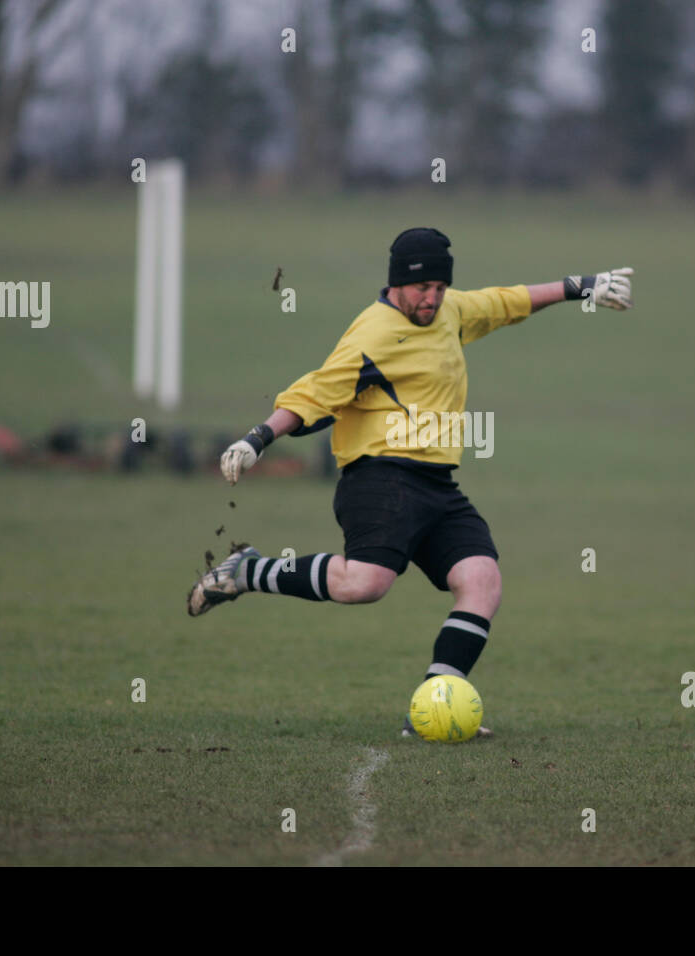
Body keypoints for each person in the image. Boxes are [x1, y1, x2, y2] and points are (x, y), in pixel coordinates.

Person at [187, 227, 633, 736]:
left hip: (437, 484)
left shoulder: (450, 311)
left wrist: (582, 286)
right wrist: (257, 439)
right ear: (397, 283)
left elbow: (507, 302)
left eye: (441, 288)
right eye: (423, 288)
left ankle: (433, 708)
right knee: (365, 584)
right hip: (379, 476)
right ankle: (247, 571)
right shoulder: (372, 335)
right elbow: (314, 393)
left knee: (482, 582)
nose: (432, 298)